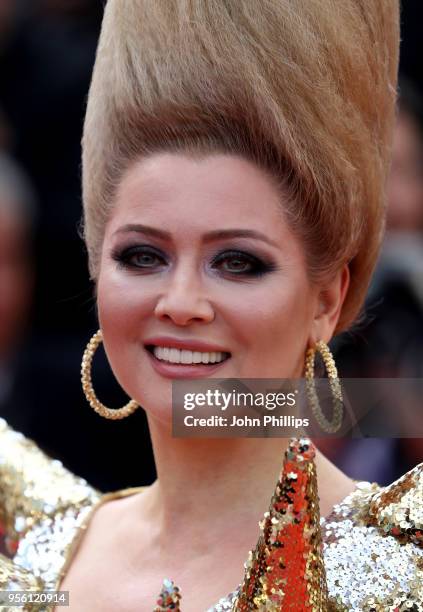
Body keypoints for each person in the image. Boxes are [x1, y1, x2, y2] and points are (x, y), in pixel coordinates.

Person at [0, 1, 421, 610]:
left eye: (238, 263)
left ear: (326, 300)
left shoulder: (400, 579)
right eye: (143, 256)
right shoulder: (40, 563)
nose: (181, 303)